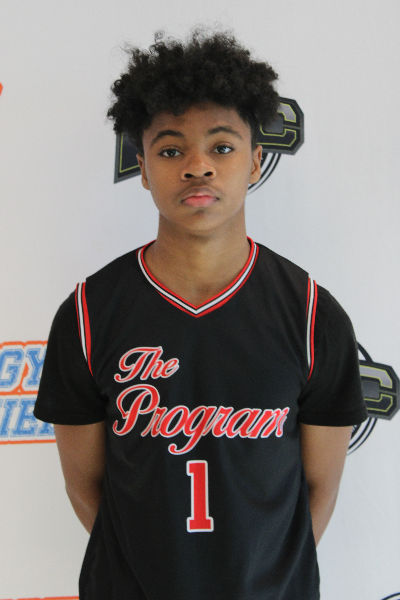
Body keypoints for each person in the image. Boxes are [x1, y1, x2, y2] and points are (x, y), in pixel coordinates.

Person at [34, 25, 368, 600]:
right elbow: (85, 485)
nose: (197, 166)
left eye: (221, 147)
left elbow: (319, 489)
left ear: (256, 161)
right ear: (142, 168)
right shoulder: (88, 314)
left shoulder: (314, 315)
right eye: (170, 150)